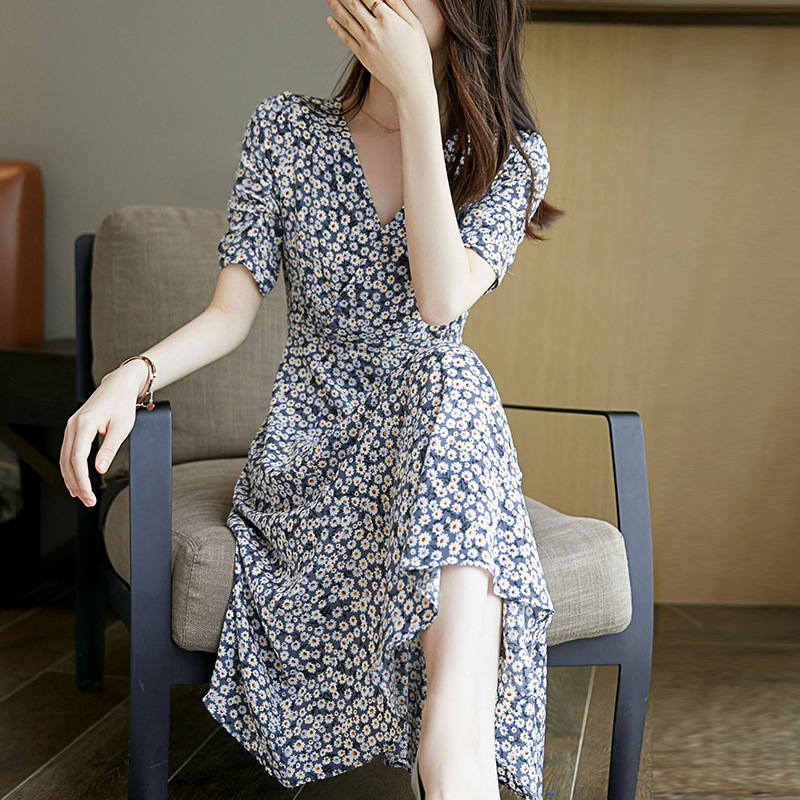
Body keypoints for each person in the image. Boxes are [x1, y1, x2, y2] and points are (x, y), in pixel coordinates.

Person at [60, 1, 564, 798]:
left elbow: (439, 302)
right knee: (454, 383)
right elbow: (231, 314)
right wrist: (131, 375)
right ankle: (452, 762)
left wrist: (419, 102)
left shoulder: (512, 159)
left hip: (429, 455)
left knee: (449, 372)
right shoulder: (287, 131)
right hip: (310, 463)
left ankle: (449, 755)